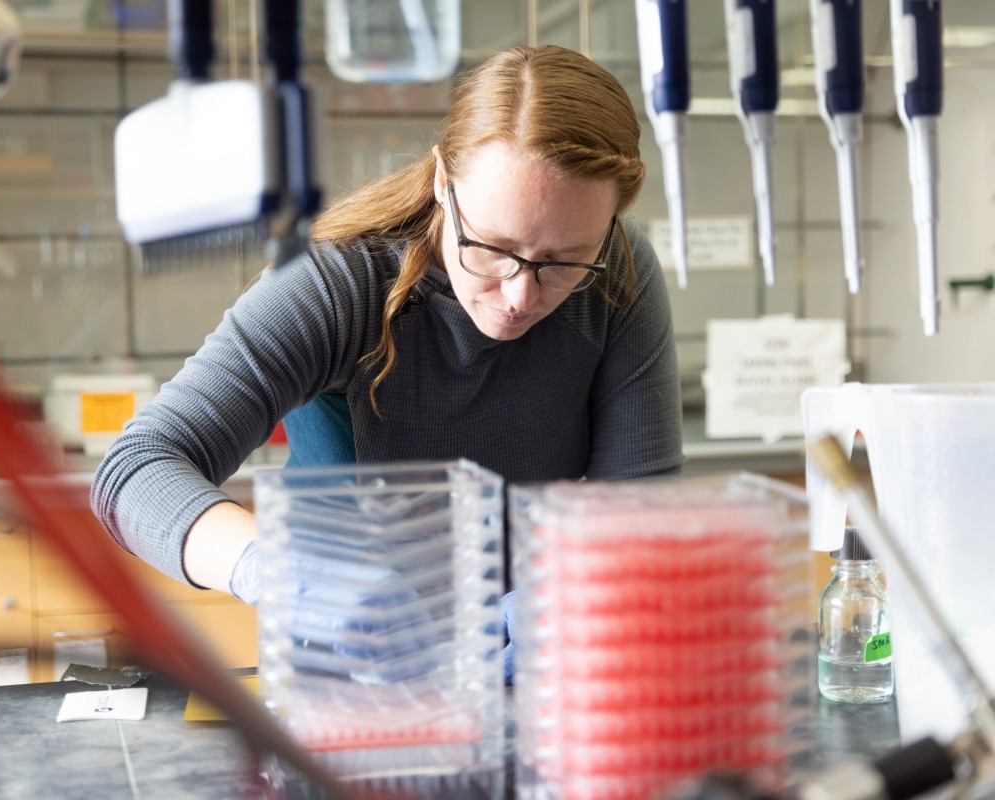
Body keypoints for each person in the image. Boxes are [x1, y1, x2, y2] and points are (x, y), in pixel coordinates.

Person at [90, 44, 685, 677]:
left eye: (564, 261)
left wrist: (577, 600)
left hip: (539, 671)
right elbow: (135, 470)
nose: (519, 294)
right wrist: (278, 571)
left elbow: (640, 511)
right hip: (351, 683)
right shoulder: (338, 280)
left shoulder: (619, 271)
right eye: (492, 247)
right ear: (441, 184)